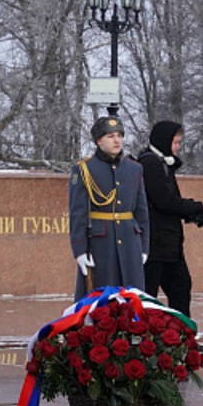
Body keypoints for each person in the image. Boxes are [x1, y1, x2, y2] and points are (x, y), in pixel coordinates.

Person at [137, 120, 203, 318]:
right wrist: (193, 207)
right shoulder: (150, 163)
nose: (179, 147)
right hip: (156, 244)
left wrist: (192, 214)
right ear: (164, 141)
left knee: (180, 288)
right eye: (176, 142)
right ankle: (146, 341)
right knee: (148, 295)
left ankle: (182, 338)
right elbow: (163, 200)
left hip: (168, 245)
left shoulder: (162, 162)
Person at [68, 116, 149, 300]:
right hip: (100, 245)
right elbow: (77, 214)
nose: (117, 140)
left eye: (119, 135)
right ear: (98, 141)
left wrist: (144, 246)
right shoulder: (84, 170)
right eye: (110, 136)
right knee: (100, 302)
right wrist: (80, 251)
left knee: (132, 300)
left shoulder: (134, 169)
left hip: (130, 242)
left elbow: (142, 212)